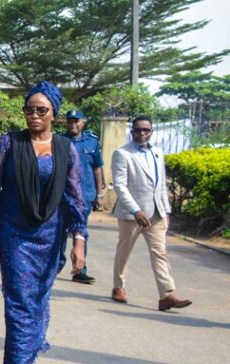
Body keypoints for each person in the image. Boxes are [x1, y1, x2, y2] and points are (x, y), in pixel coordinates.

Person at [0, 81, 87, 364]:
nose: (34, 115)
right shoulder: (9, 145)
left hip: (50, 237)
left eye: (41, 110)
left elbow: (75, 197)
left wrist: (79, 240)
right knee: (19, 300)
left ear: (54, 113)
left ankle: (26, 355)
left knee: (38, 299)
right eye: (29, 109)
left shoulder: (67, 149)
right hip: (14, 235)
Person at [109, 116, 192, 311]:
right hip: (132, 214)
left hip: (157, 213)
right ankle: (118, 287)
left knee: (160, 252)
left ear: (151, 132)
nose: (142, 133)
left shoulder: (157, 152)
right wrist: (135, 209)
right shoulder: (122, 153)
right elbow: (120, 185)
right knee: (124, 251)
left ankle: (166, 295)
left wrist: (165, 210)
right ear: (132, 132)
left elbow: (161, 184)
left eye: (146, 130)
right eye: (138, 130)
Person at [57, 110, 105, 284]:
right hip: (62, 194)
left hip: (85, 194)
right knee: (59, 230)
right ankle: (56, 265)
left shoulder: (92, 142)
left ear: (83, 122)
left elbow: (97, 168)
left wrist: (99, 194)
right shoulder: (60, 141)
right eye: (70, 121)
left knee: (81, 232)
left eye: (76, 121)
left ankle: (79, 270)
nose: (72, 125)